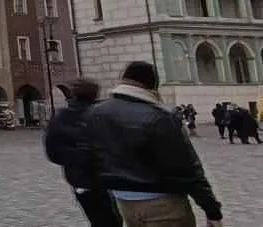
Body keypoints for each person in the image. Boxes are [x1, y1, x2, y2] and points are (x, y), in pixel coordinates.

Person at [87, 61, 222, 227]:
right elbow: (186, 168)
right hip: (163, 202)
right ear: (152, 87)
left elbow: (93, 156)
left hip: (123, 200)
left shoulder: (96, 112)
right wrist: (211, 210)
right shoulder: (160, 117)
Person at [44, 78, 121, 227]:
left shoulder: (62, 118)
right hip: (108, 179)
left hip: (83, 181)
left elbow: (53, 152)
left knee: (100, 220)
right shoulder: (103, 113)